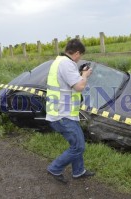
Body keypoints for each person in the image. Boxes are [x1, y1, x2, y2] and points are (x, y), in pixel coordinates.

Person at [46, 39, 94, 183]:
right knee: (79, 146)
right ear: (77, 53)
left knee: (76, 144)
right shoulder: (67, 64)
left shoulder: (59, 61)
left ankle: (78, 171)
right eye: (81, 56)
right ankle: (55, 168)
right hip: (63, 114)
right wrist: (85, 76)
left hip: (62, 112)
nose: (80, 59)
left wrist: (79, 74)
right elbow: (79, 87)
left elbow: (68, 83)